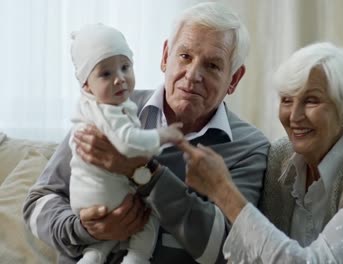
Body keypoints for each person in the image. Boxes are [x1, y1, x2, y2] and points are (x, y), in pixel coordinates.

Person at [22, 2, 269, 264]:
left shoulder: (249, 148)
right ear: (165, 56)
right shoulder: (107, 107)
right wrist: (84, 230)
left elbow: (229, 251)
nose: (193, 74)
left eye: (212, 66)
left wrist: (143, 171)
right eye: (184, 56)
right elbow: (37, 202)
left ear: (234, 79)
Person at [178, 42, 343, 263]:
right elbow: (250, 249)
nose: (294, 116)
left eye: (312, 101)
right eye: (286, 100)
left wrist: (223, 191)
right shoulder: (279, 158)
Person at [68, 24, 183, 264]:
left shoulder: (88, 107)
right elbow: (128, 143)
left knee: (110, 231)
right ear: (86, 84)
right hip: (103, 193)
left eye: (125, 67)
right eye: (106, 74)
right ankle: (137, 258)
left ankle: (93, 255)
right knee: (149, 215)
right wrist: (162, 136)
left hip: (85, 197)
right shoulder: (110, 112)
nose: (120, 79)